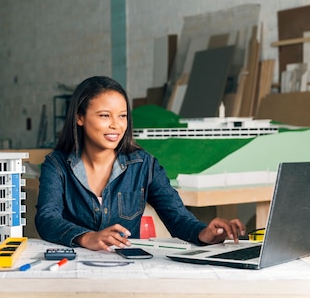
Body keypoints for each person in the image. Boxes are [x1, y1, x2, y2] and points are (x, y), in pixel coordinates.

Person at [35, 76, 245, 251]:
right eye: (105, 115)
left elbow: (177, 217)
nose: (116, 125)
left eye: (123, 116)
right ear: (79, 117)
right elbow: (47, 219)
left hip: (126, 270)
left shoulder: (144, 165)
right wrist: (87, 237)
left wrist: (205, 233)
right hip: (73, 269)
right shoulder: (57, 166)